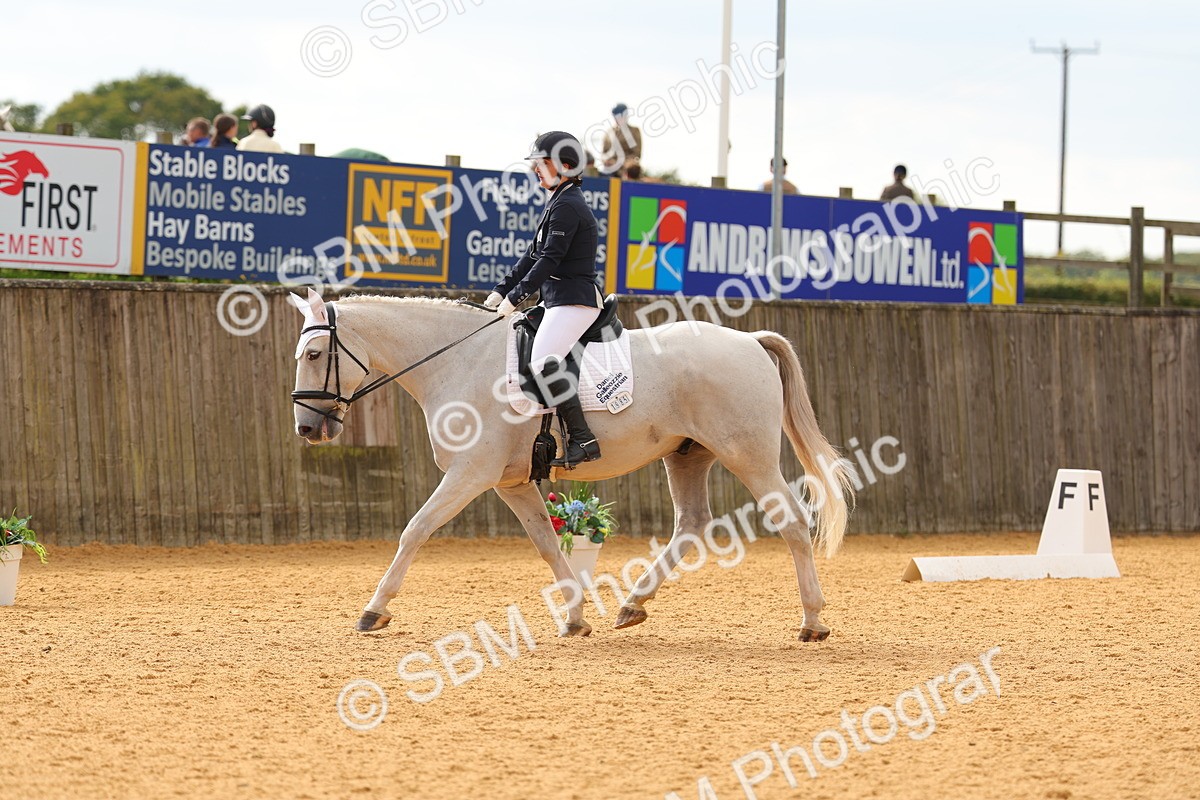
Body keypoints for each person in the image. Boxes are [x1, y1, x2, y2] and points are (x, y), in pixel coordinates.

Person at [484, 131, 604, 467]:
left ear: (566, 165)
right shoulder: (559, 200)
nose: (536, 169)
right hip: (557, 299)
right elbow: (531, 255)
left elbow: (550, 260)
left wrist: (515, 299)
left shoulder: (569, 204)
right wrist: (500, 291)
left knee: (542, 361)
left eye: (543, 163)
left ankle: (583, 438)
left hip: (573, 300)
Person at [599, 102, 642, 177]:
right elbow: (604, 153)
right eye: (615, 115)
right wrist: (607, 161)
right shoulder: (609, 132)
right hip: (609, 171)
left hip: (627, 172)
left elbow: (636, 154)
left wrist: (619, 163)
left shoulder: (634, 131)